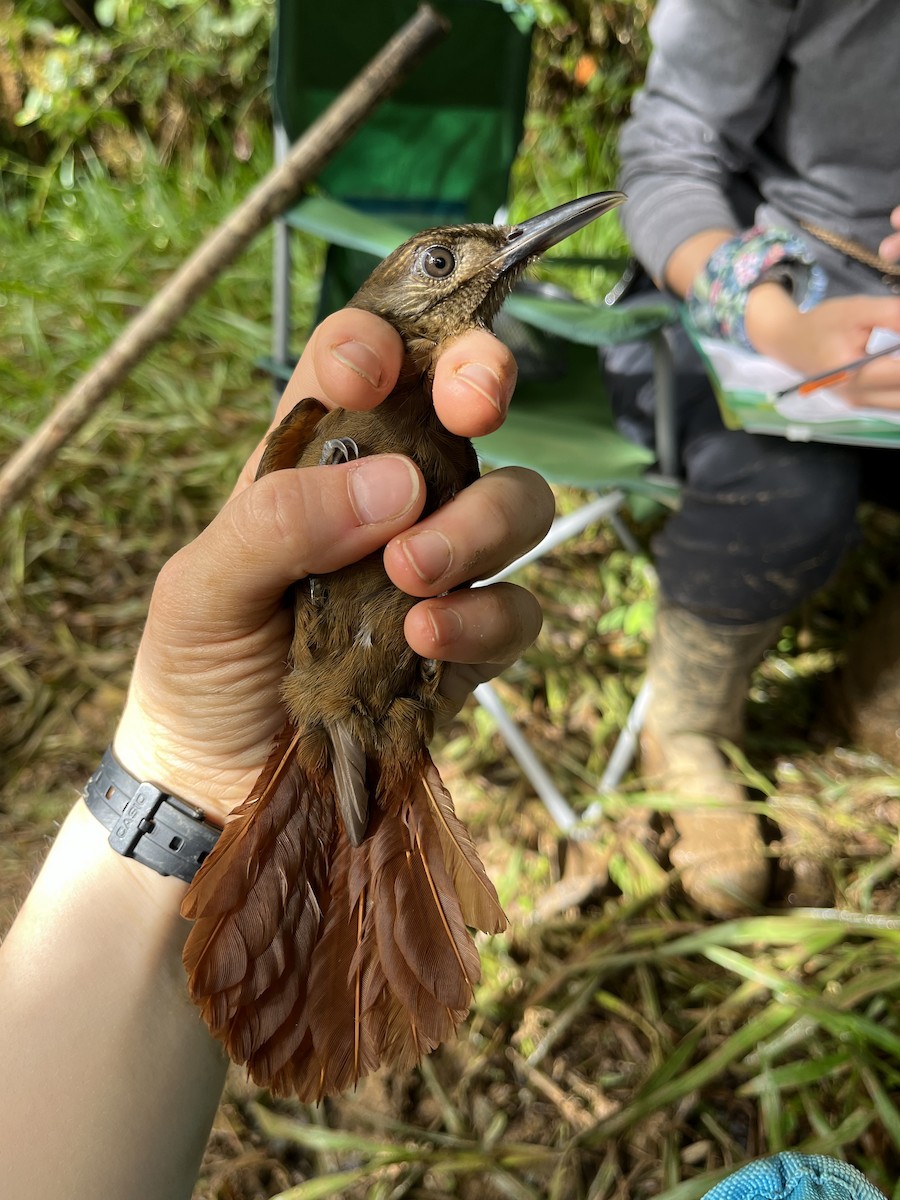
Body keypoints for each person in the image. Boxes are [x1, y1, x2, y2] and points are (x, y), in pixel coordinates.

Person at [0, 308, 553, 1200]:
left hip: (380, 709)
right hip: (322, 707)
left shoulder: (440, 429)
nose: (486, 272)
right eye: (443, 267)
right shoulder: (337, 411)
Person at [611, 0, 900, 917]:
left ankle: (874, 688)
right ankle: (688, 726)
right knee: (790, 487)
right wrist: (782, 325)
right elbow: (665, 160)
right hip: (739, 300)